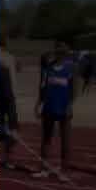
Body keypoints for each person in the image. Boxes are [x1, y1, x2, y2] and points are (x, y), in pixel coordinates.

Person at [32, 39, 78, 182]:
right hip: (49, 107)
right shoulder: (48, 68)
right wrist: (38, 104)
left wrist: (70, 105)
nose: (60, 55)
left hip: (64, 108)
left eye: (63, 52)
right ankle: (44, 169)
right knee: (46, 139)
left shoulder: (70, 68)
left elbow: (73, 89)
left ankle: (64, 170)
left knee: (65, 140)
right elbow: (43, 87)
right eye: (58, 52)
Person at [0, 35, 19, 170]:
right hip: (7, 96)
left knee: (8, 129)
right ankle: (6, 158)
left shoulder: (5, 58)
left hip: (7, 96)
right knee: (8, 129)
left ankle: (6, 157)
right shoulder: (9, 57)